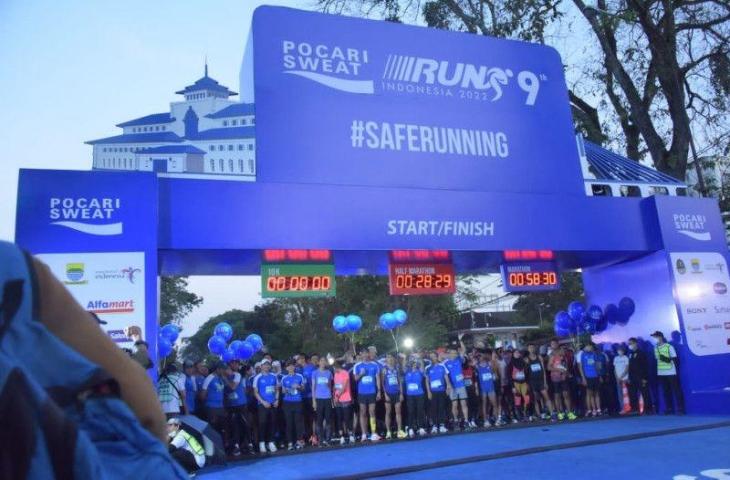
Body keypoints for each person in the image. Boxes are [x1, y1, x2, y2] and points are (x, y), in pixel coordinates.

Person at [444, 337, 477, 429]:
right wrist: (448, 386)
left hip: (461, 385)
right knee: (454, 405)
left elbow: (464, 350)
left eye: (455, 353)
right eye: (452, 353)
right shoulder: (445, 363)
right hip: (452, 387)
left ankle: (466, 421)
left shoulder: (459, 359)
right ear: (449, 354)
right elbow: (445, 376)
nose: (454, 354)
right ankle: (456, 421)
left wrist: (460, 340)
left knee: (464, 404)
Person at [651, 331, 685, 415]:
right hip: (661, 372)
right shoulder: (655, 348)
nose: (655, 339)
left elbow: (674, 358)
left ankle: (680, 409)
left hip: (671, 371)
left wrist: (675, 369)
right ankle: (669, 408)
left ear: (660, 337)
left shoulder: (669, 346)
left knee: (676, 390)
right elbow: (657, 359)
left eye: (656, 337)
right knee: (666, 391)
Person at [353, 349, 382, 441]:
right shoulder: (357, 366)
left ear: (369, 354)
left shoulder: (374, 365)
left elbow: (378, 379)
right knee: (363, 413)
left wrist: (379, 391)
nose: (365, 355)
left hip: (372, 392)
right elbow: (355, 379)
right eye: (363, 353)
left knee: (372, 412)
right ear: (361, 355)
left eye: (366, 353)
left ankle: (373, 433)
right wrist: (361, 374)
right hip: (362, 393)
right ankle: (364, 434)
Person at [253, 359, 280, 453]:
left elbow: (277, 389)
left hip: (273, 403)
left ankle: (271, 442)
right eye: (265, 365)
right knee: (262, 424)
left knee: (273, 423)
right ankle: (262, 443)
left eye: (268, 365)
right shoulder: (258, 377)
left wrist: (277, 400)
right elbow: (255, 392)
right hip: (262, 404)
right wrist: (263, 402)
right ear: (261, 366)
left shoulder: (274, 376)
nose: (267, 366)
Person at [224, 359, 248, 456]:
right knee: (233, 426)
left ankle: (246, 445)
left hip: (241, 404)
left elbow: (233, 387)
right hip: (230, 405)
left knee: (245, 424)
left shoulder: (237, 375)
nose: (234, 366)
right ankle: (236, 446)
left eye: (236, 364)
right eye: (231, 364)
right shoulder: (224, 376)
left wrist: (225, 379)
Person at [547, 340, 577, 421]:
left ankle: (569, 412)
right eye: (552, 344)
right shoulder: (551, 355)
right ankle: (560, 413)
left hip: (564, 378)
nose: (554, 345)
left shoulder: (563, 354)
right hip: (555, 378)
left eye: (555, 343)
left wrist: (566, 373)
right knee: (557, 396)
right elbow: (549, 367)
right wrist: (558, 370)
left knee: (566, 394)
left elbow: (566, 366)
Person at [281, 359, 306, 450]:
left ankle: (299, 441)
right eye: (289, 366)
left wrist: (298, 387)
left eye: (292, 366)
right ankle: (290, 442)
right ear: (286, 368)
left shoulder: (300, 376)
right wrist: (288, 389)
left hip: (297, 401)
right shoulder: (284, 378)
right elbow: (283, 391)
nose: (291, 367)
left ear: (294, 367)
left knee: (298, 422)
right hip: (287, 402)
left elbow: (303, 388)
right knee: (289, 422)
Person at [201, 361, 228, 445]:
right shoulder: (209, 378)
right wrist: (208, 405)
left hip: (220, 407)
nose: (224, 371)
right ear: (218, 369)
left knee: (222, 429)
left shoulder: (221, 378)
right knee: (213, 428)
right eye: (223, 369)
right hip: (211, 408)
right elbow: (202, 394)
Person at [526, 343, 555, 421]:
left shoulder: (539, 357)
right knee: (536, 399)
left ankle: (552, 413)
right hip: (532, 382)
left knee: (546, 397)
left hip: (541, 381)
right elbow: (526, 373)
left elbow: (543, 371)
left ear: (534, 349)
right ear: (528, 349)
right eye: (530, 348)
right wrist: (528, 384)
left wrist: (545, 382)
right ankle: (540, 415)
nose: (531, 349)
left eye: (533, 347)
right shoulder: (527, 359)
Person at [382, 353, 407, 439]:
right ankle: (388, 432)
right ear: (386, 359)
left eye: (391, 357)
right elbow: (382, 383)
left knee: (398, 412)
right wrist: (385, 394)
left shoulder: (397, 368)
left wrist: (401, 393)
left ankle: (399, 431)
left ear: (393, 359)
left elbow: (399, 381)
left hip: (397, 393)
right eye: (388, 357)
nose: (390, 359)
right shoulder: (384, 369)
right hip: (388, 394)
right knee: (388, 412)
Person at [627, 337, 653, 414]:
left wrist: (644, 378)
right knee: (632, 394)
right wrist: (629, 377)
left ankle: (648, 409)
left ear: (635, 343)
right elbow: (629, 366)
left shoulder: (642, 353)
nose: (630, 345)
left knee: (645, 393)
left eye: (631, 343)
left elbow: (645, 366)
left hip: (641, 377)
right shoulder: (630, 354)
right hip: (632, 377)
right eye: (629, 344)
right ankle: (635, 409)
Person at [425, 351, 449, 434]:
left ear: (436, 357)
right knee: (434, 409)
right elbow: (427, 381)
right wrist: (428, 392)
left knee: (442, 407)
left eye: (433, 356)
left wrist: (448, 387)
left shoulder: (442, 366)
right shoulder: (428, 368)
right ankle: (435, 425)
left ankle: (442, 425)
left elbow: (446, 377)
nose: (432, 358)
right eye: (430, 356)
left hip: (442, 390)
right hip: (433, 392)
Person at [312, 356, 334, 446]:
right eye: (321, 361)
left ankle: (328, 440)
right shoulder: (315, 373)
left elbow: (330, 386)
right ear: (318, 362)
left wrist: (332, 399)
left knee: (328, 419)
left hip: (328, 398)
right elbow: (313, 387)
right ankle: (320, 440)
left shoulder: (329, 373)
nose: (323, 362)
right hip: (318, 398)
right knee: (319, 420)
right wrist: (314, 401)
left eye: (324, 361)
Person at [476, 351, 501, 427]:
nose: (480, 357)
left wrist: (494, 374)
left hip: (491, 387)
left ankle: (497, 420)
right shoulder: (477, 367)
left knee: (494, 404)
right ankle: (485, 421)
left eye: (481, 356)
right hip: (483, 389)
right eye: (479, 357)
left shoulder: (489, 364)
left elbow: (496, 375)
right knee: (484, 404)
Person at [333, 360, 355, 445]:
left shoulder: (345, 373)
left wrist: (337, 396)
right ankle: (341, 437)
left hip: (345, 398)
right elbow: (336, 386)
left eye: (334, 368)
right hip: (337, 399)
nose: (333, 369)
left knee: (347, 418)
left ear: (337, 367)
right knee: (339, 418)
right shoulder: (335, 374)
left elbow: (344, 387)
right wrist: (335, 397)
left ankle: (350, 435)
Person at [404, 357, 427, 437]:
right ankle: (410, 428)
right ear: (410, 365)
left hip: (419, 394)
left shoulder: (420, 372)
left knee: (420, 411)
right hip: (410, 395)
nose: (414, 365)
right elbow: (404, 366)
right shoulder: (407, 372)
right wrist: (404, 358)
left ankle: (421, 427)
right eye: (412, 364)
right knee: (411, 411)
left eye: (415, 364)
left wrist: (419, 357)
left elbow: (422, 367)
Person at [578, 343, 602, 417]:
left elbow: (598, 365)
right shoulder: (582, 355)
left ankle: (599, 409)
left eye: (591, 347)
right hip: (588, 377)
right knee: (590, 394)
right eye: (588, 346)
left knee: (597, 393)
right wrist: (583, 378)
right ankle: (593, 409)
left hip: (596, 376)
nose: (590, 348)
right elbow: (580, 367)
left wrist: (600, 375)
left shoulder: (594, 354)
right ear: (585, 347)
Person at [509, 349, 531, 421]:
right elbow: (509, 376)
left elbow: (527, 373)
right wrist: (513, 387)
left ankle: (526, 413)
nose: (517, 354)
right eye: (515, 353)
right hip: (516, 383)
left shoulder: (523, 362)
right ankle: (520, 415)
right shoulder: (511, 363)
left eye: (518, 352)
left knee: (527, 398)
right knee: (517, 400)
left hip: (524, 382)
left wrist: (527, 383)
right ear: (513, 354)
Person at [613, 345, 630, 414]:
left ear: (623, 351)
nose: (620, 352)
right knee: (620, 394)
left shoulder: (626, 358)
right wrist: (617, 377)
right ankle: (622, 408)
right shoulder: (615, 358)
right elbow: (614, 369)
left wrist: (621, 377)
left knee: (626, 394)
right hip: (618, 379)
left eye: (621, 350)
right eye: (618, 350)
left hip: (625, 378)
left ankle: (628, 408)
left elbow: (627, 369)